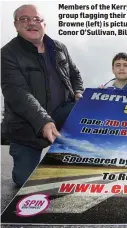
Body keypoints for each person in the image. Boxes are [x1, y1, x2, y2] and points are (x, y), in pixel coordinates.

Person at [1, 4, 84, 187]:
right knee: (26, 182)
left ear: (44, 24)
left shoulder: (59, 47)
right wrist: (44, 121)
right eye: (24, 19)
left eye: (37, 19)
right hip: (27, 125)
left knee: (85, 111)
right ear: (15, 24)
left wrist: (78, 92)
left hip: (62, 113)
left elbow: (75, 74)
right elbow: (18, 93)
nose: (32, 23)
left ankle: (68, 159)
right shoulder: (7, 54)